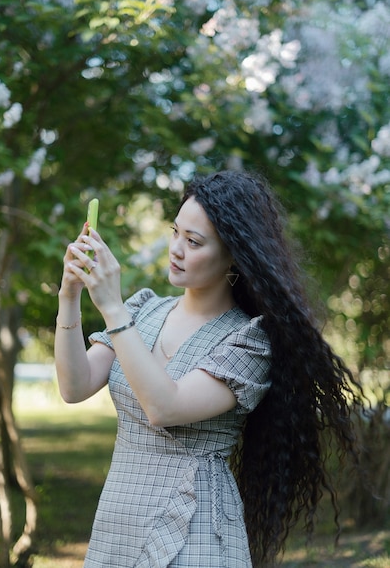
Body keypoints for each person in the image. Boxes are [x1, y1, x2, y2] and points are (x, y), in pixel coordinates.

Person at [54, 170, 364, 568]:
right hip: (119, 520)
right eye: (175, 232)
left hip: (195, 530)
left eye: (194, 241)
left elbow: (165, 407)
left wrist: (111, 307)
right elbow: (74, 386)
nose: (176, 250)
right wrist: (69, 296)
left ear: (234, 254)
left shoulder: (248, 342)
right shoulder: (143, 311)